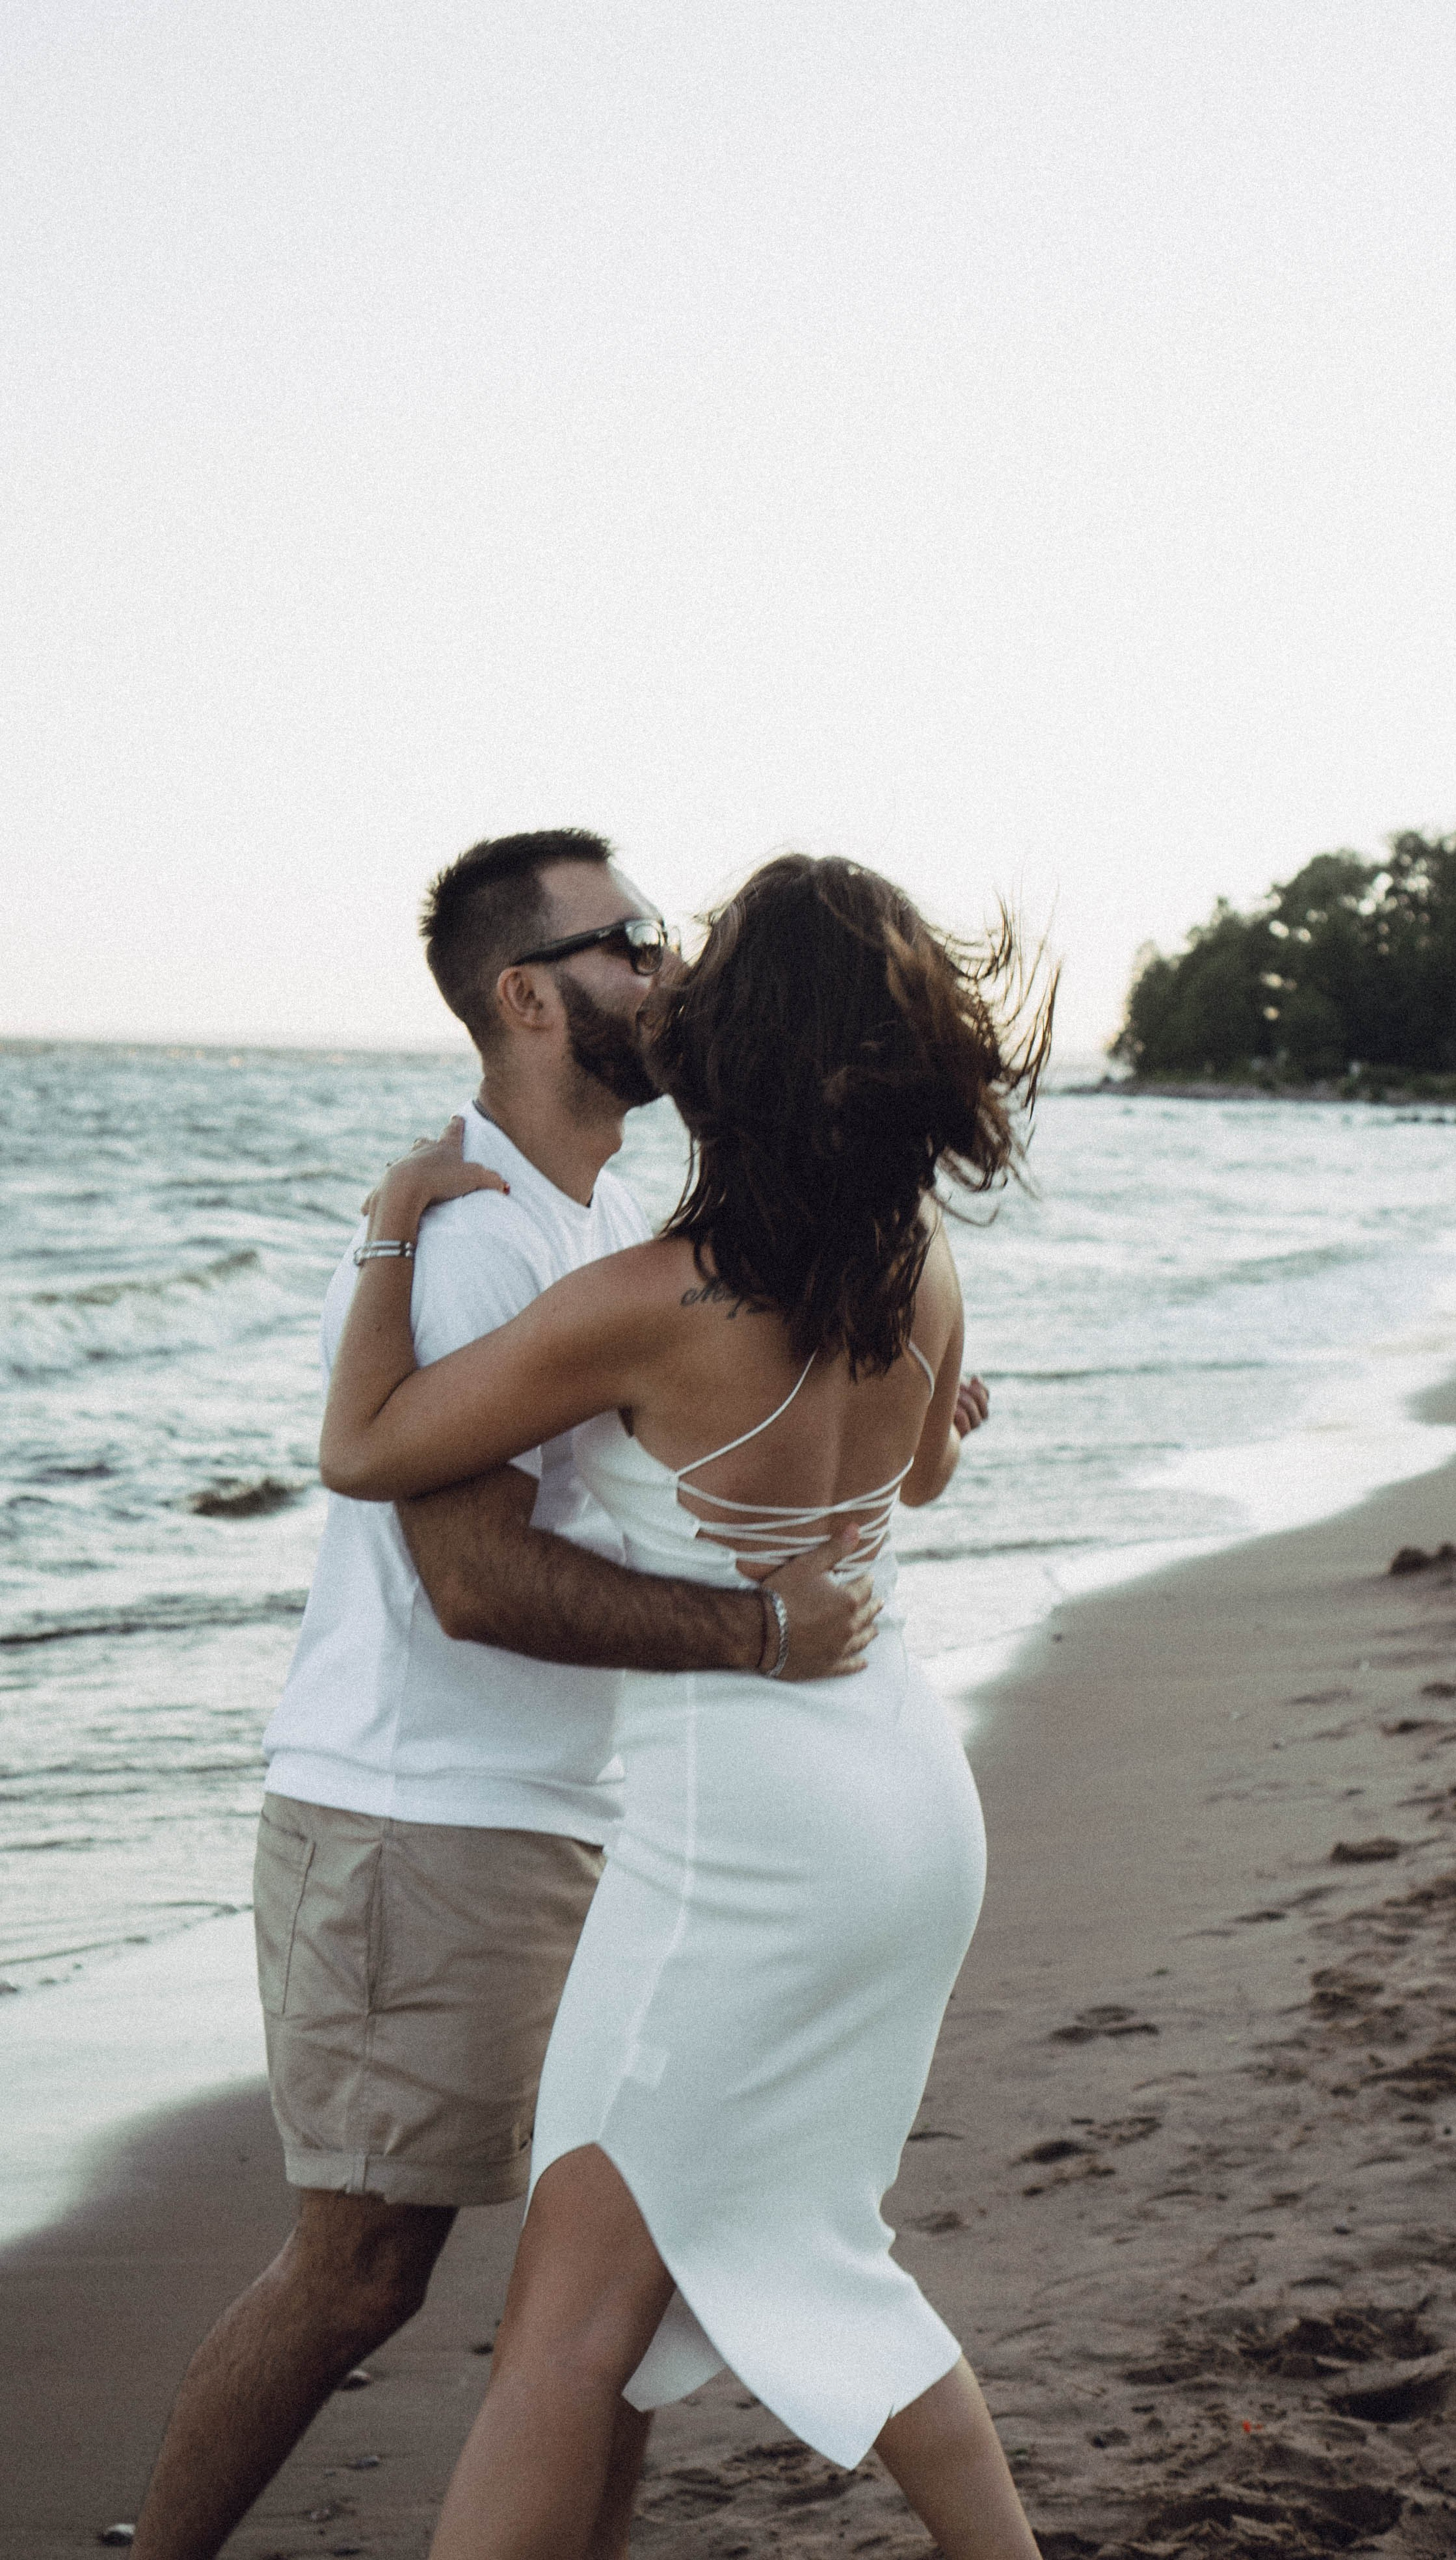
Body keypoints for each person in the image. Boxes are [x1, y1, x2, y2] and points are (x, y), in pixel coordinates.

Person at [130, 831, 884, 2560]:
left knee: (616, 2258)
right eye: (634, 940)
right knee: (360, 2272)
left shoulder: (601, 1218)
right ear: (528, 997)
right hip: (423, 1824)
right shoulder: (472, 1236)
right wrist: (759, 1638)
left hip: (569, 1821)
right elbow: (471, 1582)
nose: (669, 971)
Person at [320, 852, 1053, 2560]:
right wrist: (926, 1429)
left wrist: (392, 1228)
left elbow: (365, 1449)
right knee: (814, 2248)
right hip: (899, 1805)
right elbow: (918, 1480)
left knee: (565, 2337)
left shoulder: (652, 1303)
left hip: (741, 1849)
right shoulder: (919, 1266)